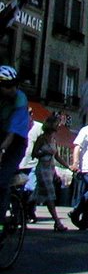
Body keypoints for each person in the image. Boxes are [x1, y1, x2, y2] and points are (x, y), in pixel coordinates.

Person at [0, 66, 31, 232]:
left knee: (1, 181)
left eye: (14, 85)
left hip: (16, 142)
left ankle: (0, 224)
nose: (13, 89)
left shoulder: (20, 99)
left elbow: (11, 135)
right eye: (8, 86)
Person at [31, 115, 70, 232]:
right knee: (49, 196)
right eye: (57, 123)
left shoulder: (53, 139)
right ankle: (57, 222)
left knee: (38, 195)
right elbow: (34, 153)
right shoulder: (41, 139)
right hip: (42, 169)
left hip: (50, 169)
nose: (58, 125)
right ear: (51, 125)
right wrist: (42, 153)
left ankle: (24, 207)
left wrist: (68, 167)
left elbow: (57, 156)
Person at [18, 118, 44, 223]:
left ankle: (29, 211)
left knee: (31, 189)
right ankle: (20, 214)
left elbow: (43, 142)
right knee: (19, 190)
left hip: (32, 163)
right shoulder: (18, 123)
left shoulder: (38, 127)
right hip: (19, 163)